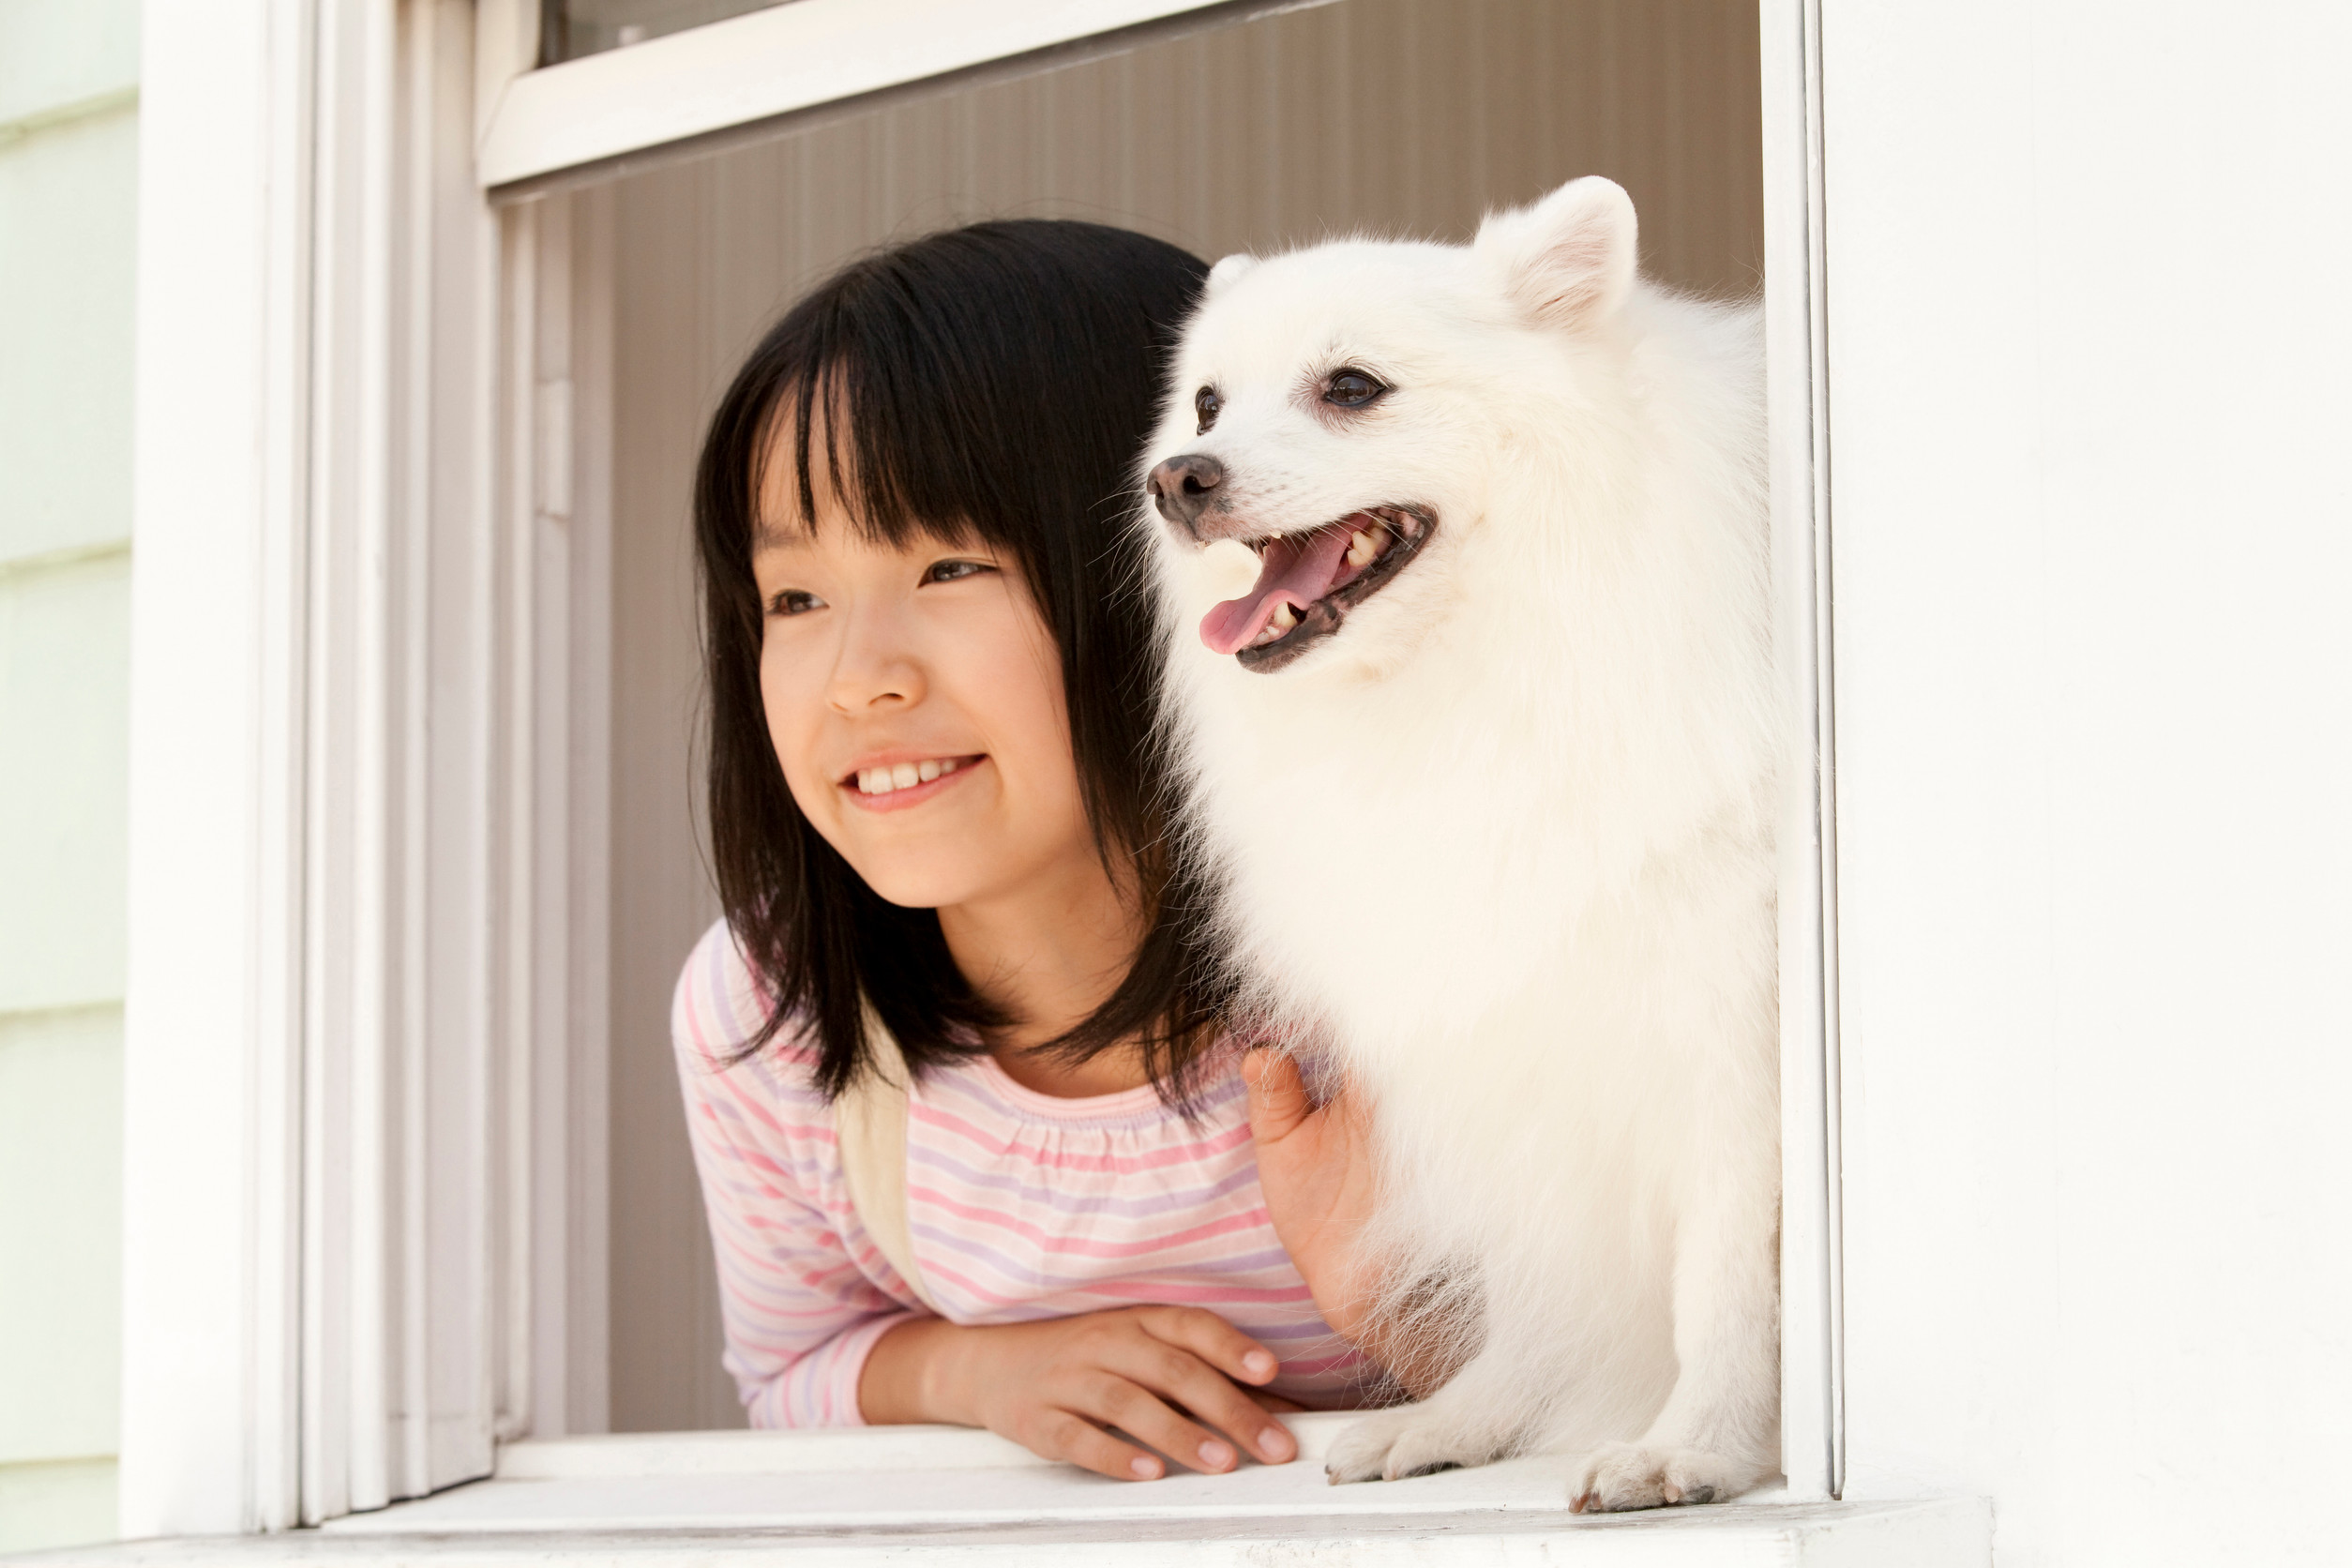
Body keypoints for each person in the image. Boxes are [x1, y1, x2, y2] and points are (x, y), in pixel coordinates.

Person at [672, 219, 1422, 1484]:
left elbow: (1693, 1402)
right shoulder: (776, 1011)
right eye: (795, 598)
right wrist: (981, 1372)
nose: (860, 681)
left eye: (950, 564)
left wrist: (1398, 1302)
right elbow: (793, 1375)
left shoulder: (1421, 956)